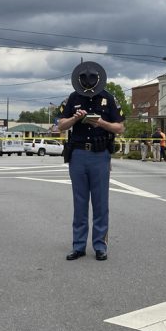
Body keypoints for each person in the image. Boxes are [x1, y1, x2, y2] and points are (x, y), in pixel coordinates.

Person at [58, 61, 125, 261]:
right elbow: (61, 125)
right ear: (79, 81)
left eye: (92, 80)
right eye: (85, 81)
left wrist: (100, 122)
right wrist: (75, 119)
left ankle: (100, 246)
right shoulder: (73, 98)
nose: (88, 84)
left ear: (98, 79)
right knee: (79, 203)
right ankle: (78, 246)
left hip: (100, 155)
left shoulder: (108, 98)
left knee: (100, 202)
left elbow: (120, 128)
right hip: (78, 155)